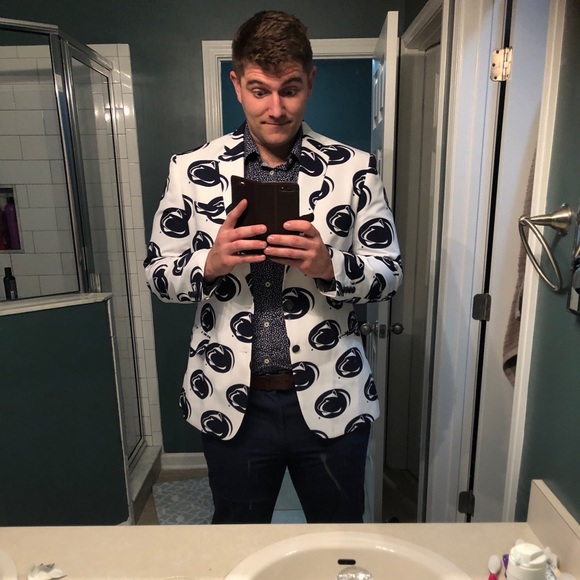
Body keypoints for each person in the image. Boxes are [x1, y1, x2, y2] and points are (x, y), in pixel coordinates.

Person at [144, 10, 403, 524]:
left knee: (339, 543)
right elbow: (157, 275)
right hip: (231, 399)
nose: (276, 108)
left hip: (332, 391)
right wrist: (209, 263)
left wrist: (330, 266)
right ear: (237, 85)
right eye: (260, 90)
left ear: (310, 81)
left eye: (290, 89)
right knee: (238, 540)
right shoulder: (192, 170)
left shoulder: (355, 170)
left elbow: (389, 273)